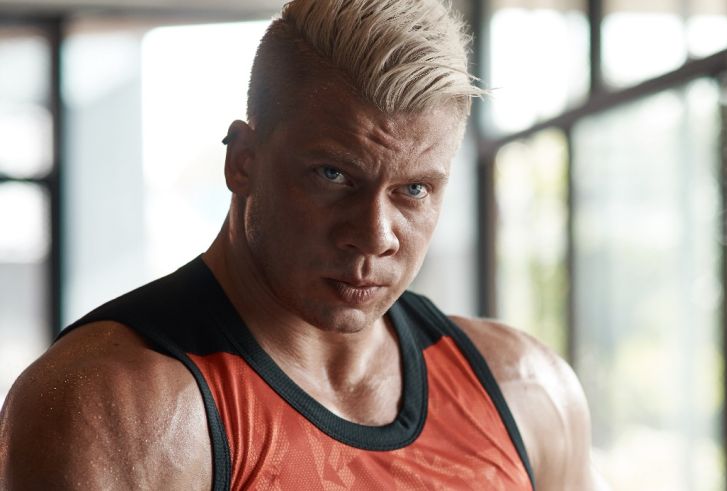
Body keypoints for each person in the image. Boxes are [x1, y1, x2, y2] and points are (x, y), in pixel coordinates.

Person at [0, 0, 602, 489]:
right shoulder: (117, 407)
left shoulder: (525, 392)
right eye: (333, 175)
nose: (375, 234)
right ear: (242, 162)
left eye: (414, 189)